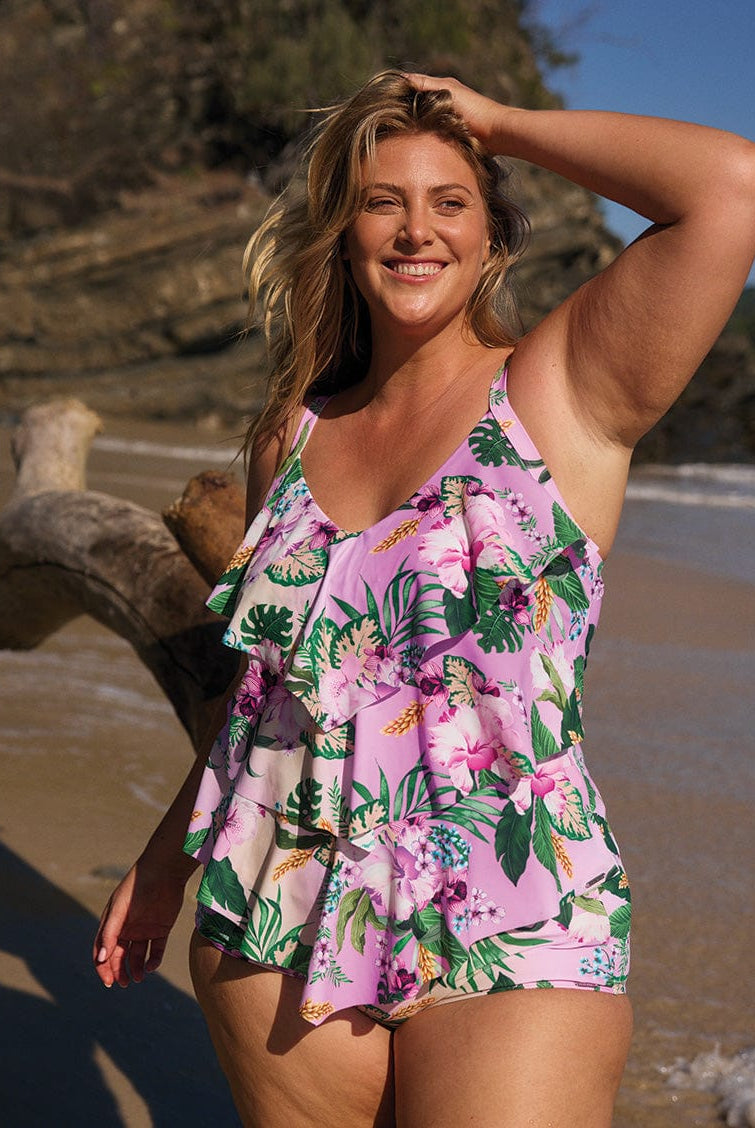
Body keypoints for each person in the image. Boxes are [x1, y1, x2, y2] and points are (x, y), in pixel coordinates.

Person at [94, 71, 755, 1127]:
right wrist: (167, 860)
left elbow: (729, 187)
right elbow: (268, 696)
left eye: (448, 201)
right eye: (380, 200)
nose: (413, 230)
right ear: (341, 232)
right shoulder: (289, 439)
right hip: (275, 898)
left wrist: (496, 125)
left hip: (511, 902)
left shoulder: (558, 390)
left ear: (493, 236)